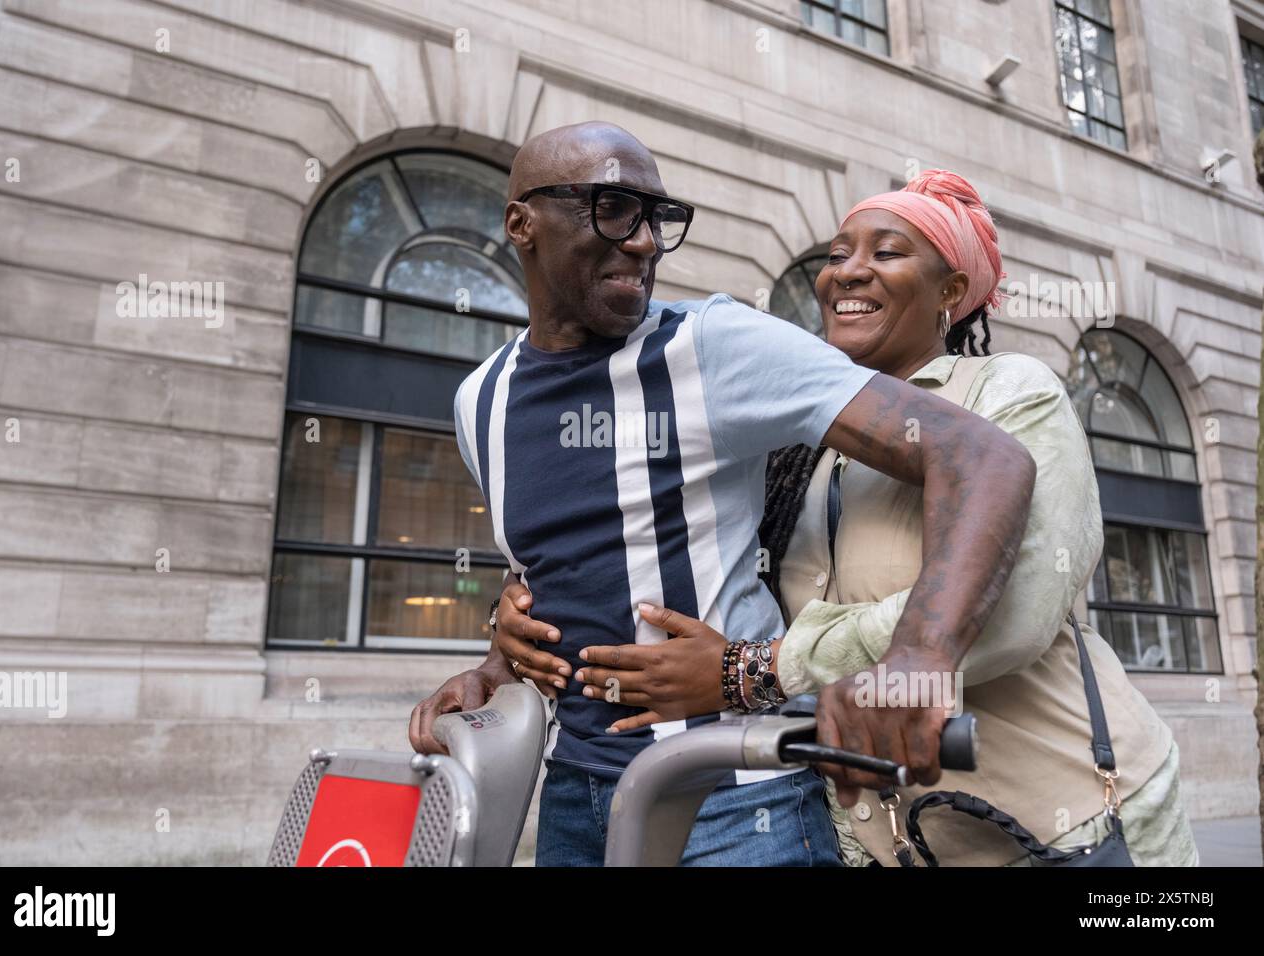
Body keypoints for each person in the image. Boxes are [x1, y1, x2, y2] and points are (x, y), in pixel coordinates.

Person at [503, 169, 1196, 866]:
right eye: (836, 256)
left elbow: (1017, 610)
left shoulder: (1010, 392)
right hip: (881, 844)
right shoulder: (791, 443)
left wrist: (762, 669)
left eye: (886, 253)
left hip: (1067, 826)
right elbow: (695, 561)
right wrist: (511, 633)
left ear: (951, 293)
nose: (846, 274)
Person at [408, 123, 1037, 867]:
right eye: (612, 208)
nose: (642, 242)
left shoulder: (712, 344)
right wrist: (495, 665)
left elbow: (982, 455)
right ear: (522, 223)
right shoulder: (479, 402)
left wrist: (919, 656)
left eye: (655, 218)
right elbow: (544, 571)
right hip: (575, 799)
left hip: (738, 802)